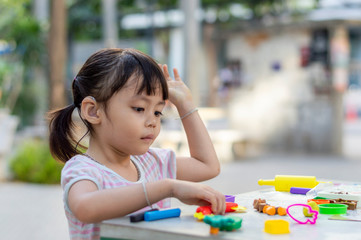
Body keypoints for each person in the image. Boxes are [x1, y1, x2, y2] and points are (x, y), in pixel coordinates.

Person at [48, 48, 225, 240]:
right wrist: (167, 188)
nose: (152, 121)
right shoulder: (84, 170)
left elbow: (208, 166)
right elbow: (85, 208)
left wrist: (185, 105)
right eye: (139, 108)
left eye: (158, 112)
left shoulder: (153, 162)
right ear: (93, 111)